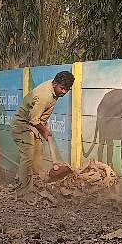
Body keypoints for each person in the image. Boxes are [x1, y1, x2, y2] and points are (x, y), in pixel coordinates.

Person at [11, 71, 74, 199]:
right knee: (28, 157)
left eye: (67, 89)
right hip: (23, 125)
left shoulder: (54, 88)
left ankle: (37, 183)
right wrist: (44, 130)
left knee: (37, 154)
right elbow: (33, 119)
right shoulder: (44, 96)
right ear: (55, 83)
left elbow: (38, 119)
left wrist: (44, 129)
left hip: (33, 126)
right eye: (62, 88)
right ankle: (23, 191)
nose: (64, 92)